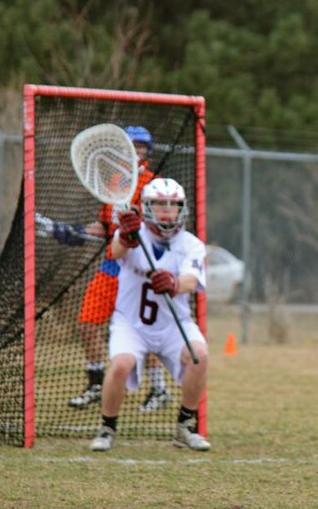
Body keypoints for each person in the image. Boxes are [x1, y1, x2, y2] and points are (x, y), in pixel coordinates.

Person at [54, 126, 172, 413]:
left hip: (139, 270)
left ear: (147, 151)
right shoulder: (115, 183)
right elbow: (106, 226)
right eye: (131, 146)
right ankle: (96, 383)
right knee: (86, 323)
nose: (136, 151)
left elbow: (162, 224)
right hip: (110, 266)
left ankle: (159, 388)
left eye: (141, 147)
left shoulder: (153, 184)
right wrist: (77, 232)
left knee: (144, 331)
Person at [89, 177, 210, 452]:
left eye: (172, 205)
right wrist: (125, 237)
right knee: (121, 364)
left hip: (173, 323)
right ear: (146, 207)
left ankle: (185, 427)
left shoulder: (191, 244)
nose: (167, 211)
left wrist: (175, 283)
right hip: (131, 323)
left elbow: (191, 281)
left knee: (199, 356)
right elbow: (116, 251)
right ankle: (107, 428)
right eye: (159, 204)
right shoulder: (133, 236)